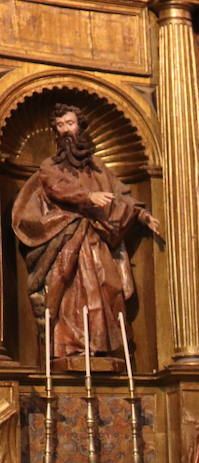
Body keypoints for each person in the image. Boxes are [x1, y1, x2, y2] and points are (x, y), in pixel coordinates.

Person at [11, 103, 160, 360]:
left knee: (108, 285)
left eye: (70, 123)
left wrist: (143, 215)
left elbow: (121, 193)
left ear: (80, 126)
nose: (66, 130)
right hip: (65, 235)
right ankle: (68, 347)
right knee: (70, 289)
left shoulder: (97, 167)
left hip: (95, 238)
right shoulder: (50, 166)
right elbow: (58, 188)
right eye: (60, 126)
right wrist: (88, 196)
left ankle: (100, 345)